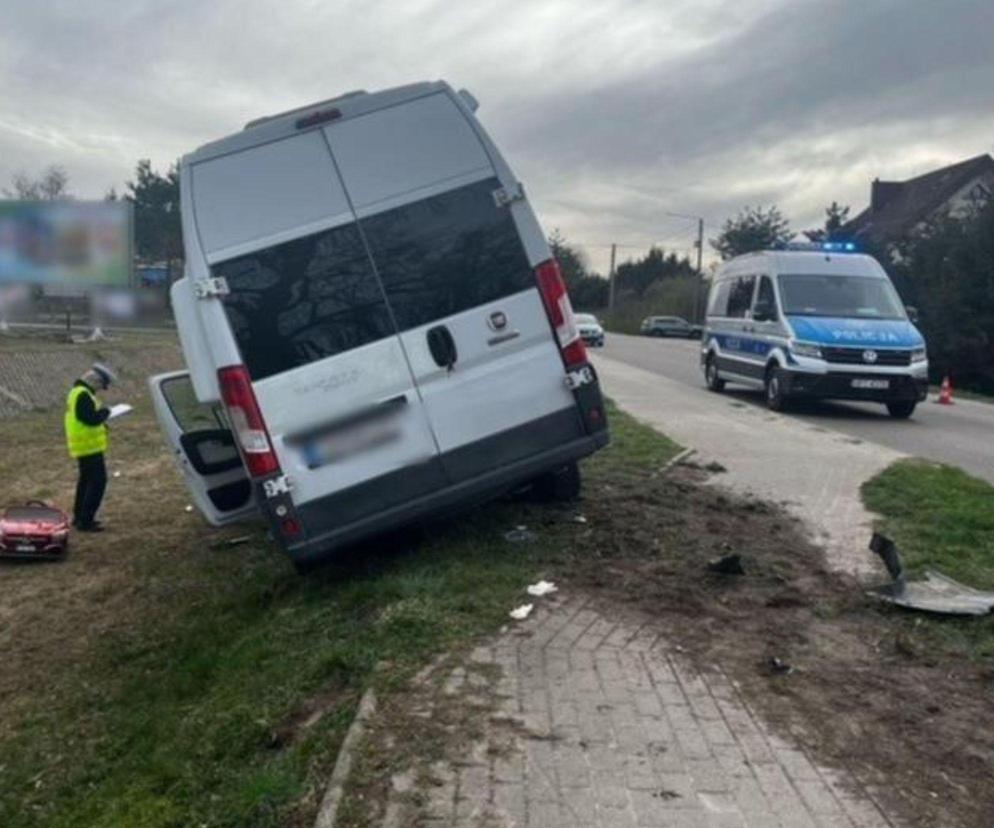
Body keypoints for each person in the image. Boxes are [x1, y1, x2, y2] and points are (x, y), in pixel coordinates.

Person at [64, 362, 116, 532]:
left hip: (84, 445)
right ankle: (86, 521)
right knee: (98, 482)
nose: (101, 389)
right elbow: (90, 418)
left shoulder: (77, 392)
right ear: (95, 381)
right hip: (88, 446)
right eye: (102, 385)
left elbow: (84, 419)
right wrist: (106, 413)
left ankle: (79, 517)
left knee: (85, 481)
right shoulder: (84, 395)